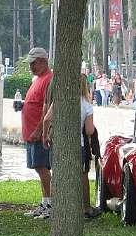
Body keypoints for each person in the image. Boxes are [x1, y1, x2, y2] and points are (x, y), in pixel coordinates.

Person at [42, 75, 98, 219]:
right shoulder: (86, 104)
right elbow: (89, 130)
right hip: (77, 145)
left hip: (58, 144)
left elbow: (47, 119)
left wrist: (45, 135)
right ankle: (83, 208)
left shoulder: (60, 100)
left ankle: (57, 208)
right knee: (80, 176)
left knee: (57, 176)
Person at [22, 47, 54, 219]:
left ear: (43, 61)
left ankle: (50, 204)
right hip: (31, 132)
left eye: (34, 63)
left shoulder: (49, 79)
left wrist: (39, 130)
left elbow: (46, 108)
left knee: (42, 168)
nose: (31, 67)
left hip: (38, 133)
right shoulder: (38, 79)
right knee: (38, 168)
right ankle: (45, 202)